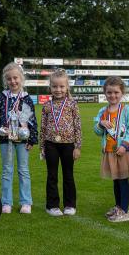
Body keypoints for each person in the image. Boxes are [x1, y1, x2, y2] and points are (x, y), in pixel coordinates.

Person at [0, 62, 38, 214]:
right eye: (9, 79)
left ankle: (26, 202)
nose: (13, 81)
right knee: (7, 171)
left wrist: (32, 139)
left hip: (22, 141)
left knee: (23, 170)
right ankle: (6, 202)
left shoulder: (26, 98)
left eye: (15, 78)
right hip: (6, 141)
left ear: (21, 78)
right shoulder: (2, 98)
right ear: (6, 81)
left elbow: (32, 120)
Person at [93, 77, 129, 222]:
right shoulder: (102, 111)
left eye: (116, 92)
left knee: (123, 180)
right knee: (116, 180)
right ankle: (118, 207)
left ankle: (125, 211)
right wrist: (100, 124)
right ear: (104, 93)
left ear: (122, 93)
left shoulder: (127, 110)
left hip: (123, 151)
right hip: (109, 151)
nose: (113, 95)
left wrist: (124, 145)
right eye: (109, 92)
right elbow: (97, 132)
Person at [40, 69, 82, 216]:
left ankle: (70, 204)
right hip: (51, 144)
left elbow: (78, 126)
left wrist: (77, 147)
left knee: (68, 175)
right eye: (55, 87)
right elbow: (43, 128)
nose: (58, 90)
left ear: (67, 87)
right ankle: (52, 206)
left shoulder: (72, 104)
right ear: (50, 87)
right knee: (52, 175)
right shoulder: (46, 106)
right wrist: (42, 147)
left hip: (69, 145)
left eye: (61, 86)